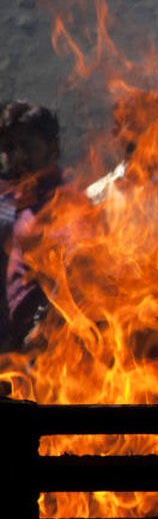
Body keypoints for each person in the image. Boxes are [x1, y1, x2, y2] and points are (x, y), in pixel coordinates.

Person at [0, 102, 65, 348]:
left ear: (52, 148)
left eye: (27, 146)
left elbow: (77, 282)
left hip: (40, 351)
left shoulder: (68, 203)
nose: (17, 158)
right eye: (8, 148)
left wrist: (45, 327)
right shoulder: (8, 199)